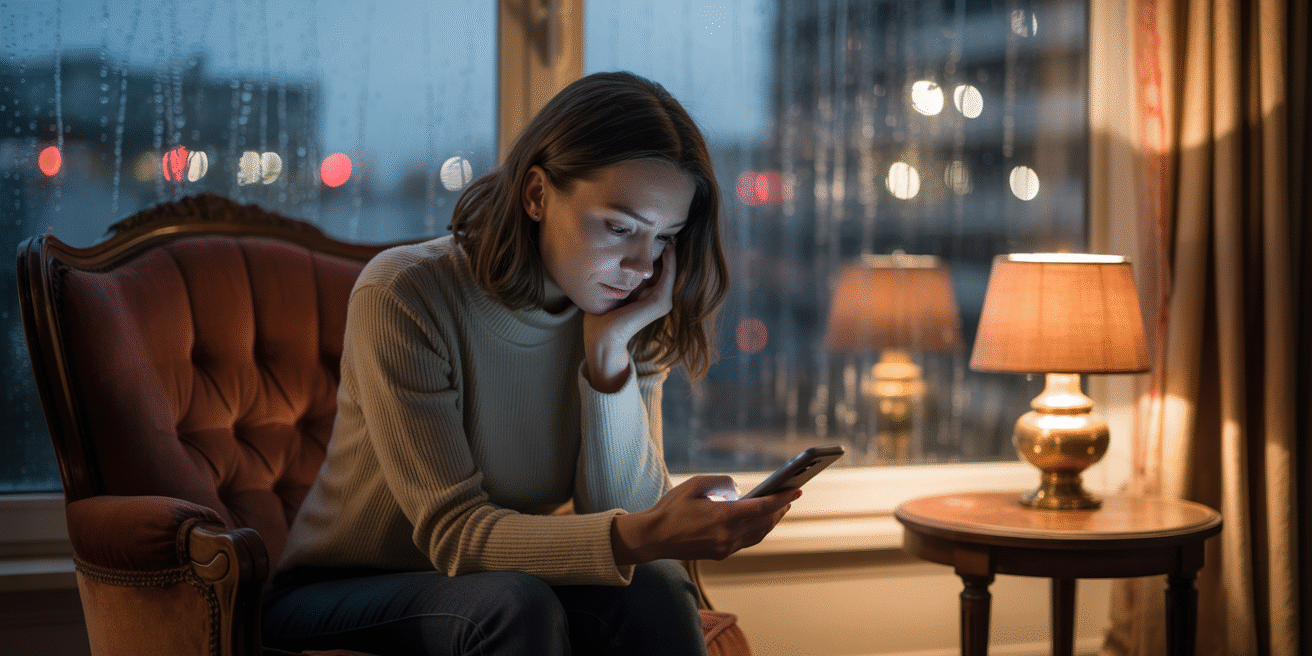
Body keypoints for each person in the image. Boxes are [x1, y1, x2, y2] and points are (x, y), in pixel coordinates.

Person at [261, 71, 799, 656]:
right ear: (537, 194)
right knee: (515, 604)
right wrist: (646, 532)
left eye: (665, 237)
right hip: (341, 594)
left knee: (658, 590)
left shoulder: (627, 313)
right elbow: (456, 537)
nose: (643, 265)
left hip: (499, 585)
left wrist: (608, 354)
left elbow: (619, 515)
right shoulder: (406, 294)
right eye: (619, 227)